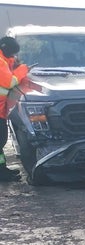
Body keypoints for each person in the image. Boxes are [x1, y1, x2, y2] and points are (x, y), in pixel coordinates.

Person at [0, 36, 29, 181]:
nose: (13, 56)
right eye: (12, 53)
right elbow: (10, 82)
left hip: (1, 110)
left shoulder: (5, 60)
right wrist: (23, 69)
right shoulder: (0, 61)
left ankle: (2, 171)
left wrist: (14, 64)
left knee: (0, 142)